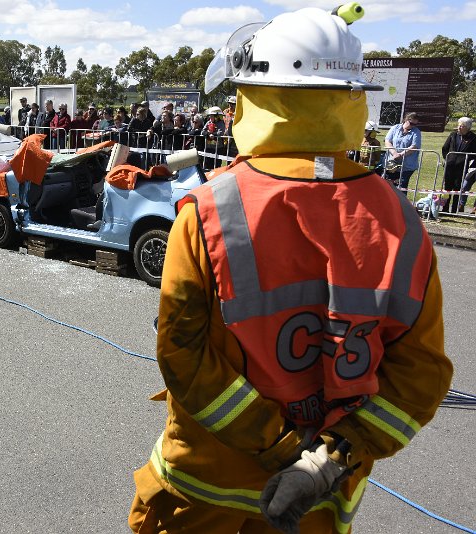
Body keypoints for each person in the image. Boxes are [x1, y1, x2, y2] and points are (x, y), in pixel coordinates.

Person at [128, 8, 452, 534]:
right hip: (317, 502)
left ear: (255, 97)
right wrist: (323, 460)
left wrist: (277, 443)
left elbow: (181, 354)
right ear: (353, 100)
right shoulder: (404, 223)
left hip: (207, 491)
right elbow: (421, 377)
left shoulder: (209, 212)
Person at [441, 116, 476, 212]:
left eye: (462, 126)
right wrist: (447, 159)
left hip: (462, 167)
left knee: (457, 187)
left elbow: (474, 153)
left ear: (468, 128)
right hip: (450, 165)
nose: (459, 127)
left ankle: (454, 209)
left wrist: (467, 160)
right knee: (447, 187)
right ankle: (445, 208)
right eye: (459, 125)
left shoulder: (473, 138)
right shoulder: (453, 135)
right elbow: (445, 148)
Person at [384, 111, 422, 194]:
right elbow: (387, 141)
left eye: (415, 124)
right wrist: (394, 153)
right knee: (389, 187)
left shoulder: (416, 132)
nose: (413, 126)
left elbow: (414, 146)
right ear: (406, 120)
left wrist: (401, 154)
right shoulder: (395, 128)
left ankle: (401, 206)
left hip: (407, 166)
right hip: (392, 164)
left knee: (402, 188)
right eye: (411, 123)